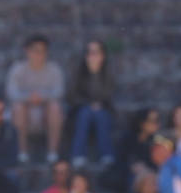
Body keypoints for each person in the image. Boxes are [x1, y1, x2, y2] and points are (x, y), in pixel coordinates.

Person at [6, 35, 66, 163]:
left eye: (42, 51)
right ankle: (22, 152)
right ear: (27, 51)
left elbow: (59, 91)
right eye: (35, 50)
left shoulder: (54, 69)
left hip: (46, 114)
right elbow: (11, 92)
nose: (39, 54)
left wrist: (41, 97)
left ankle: (52, 153)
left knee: (55, 107)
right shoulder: (18, 69)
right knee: (18, 107)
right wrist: (29, 98)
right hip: (23, 114)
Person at [68, 40, 116, 168]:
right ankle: (78, 155)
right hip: (81, 108)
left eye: (96, 52)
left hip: (103, 108)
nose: (92, 56)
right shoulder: (78, 72)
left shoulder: (108, 73)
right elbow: (72, 95)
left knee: (101, 115)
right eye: (90, 52)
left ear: (102, 55)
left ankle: (106, 155)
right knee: (85, 114)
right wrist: (88, 104)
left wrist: (95, 74)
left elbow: (108, 94)